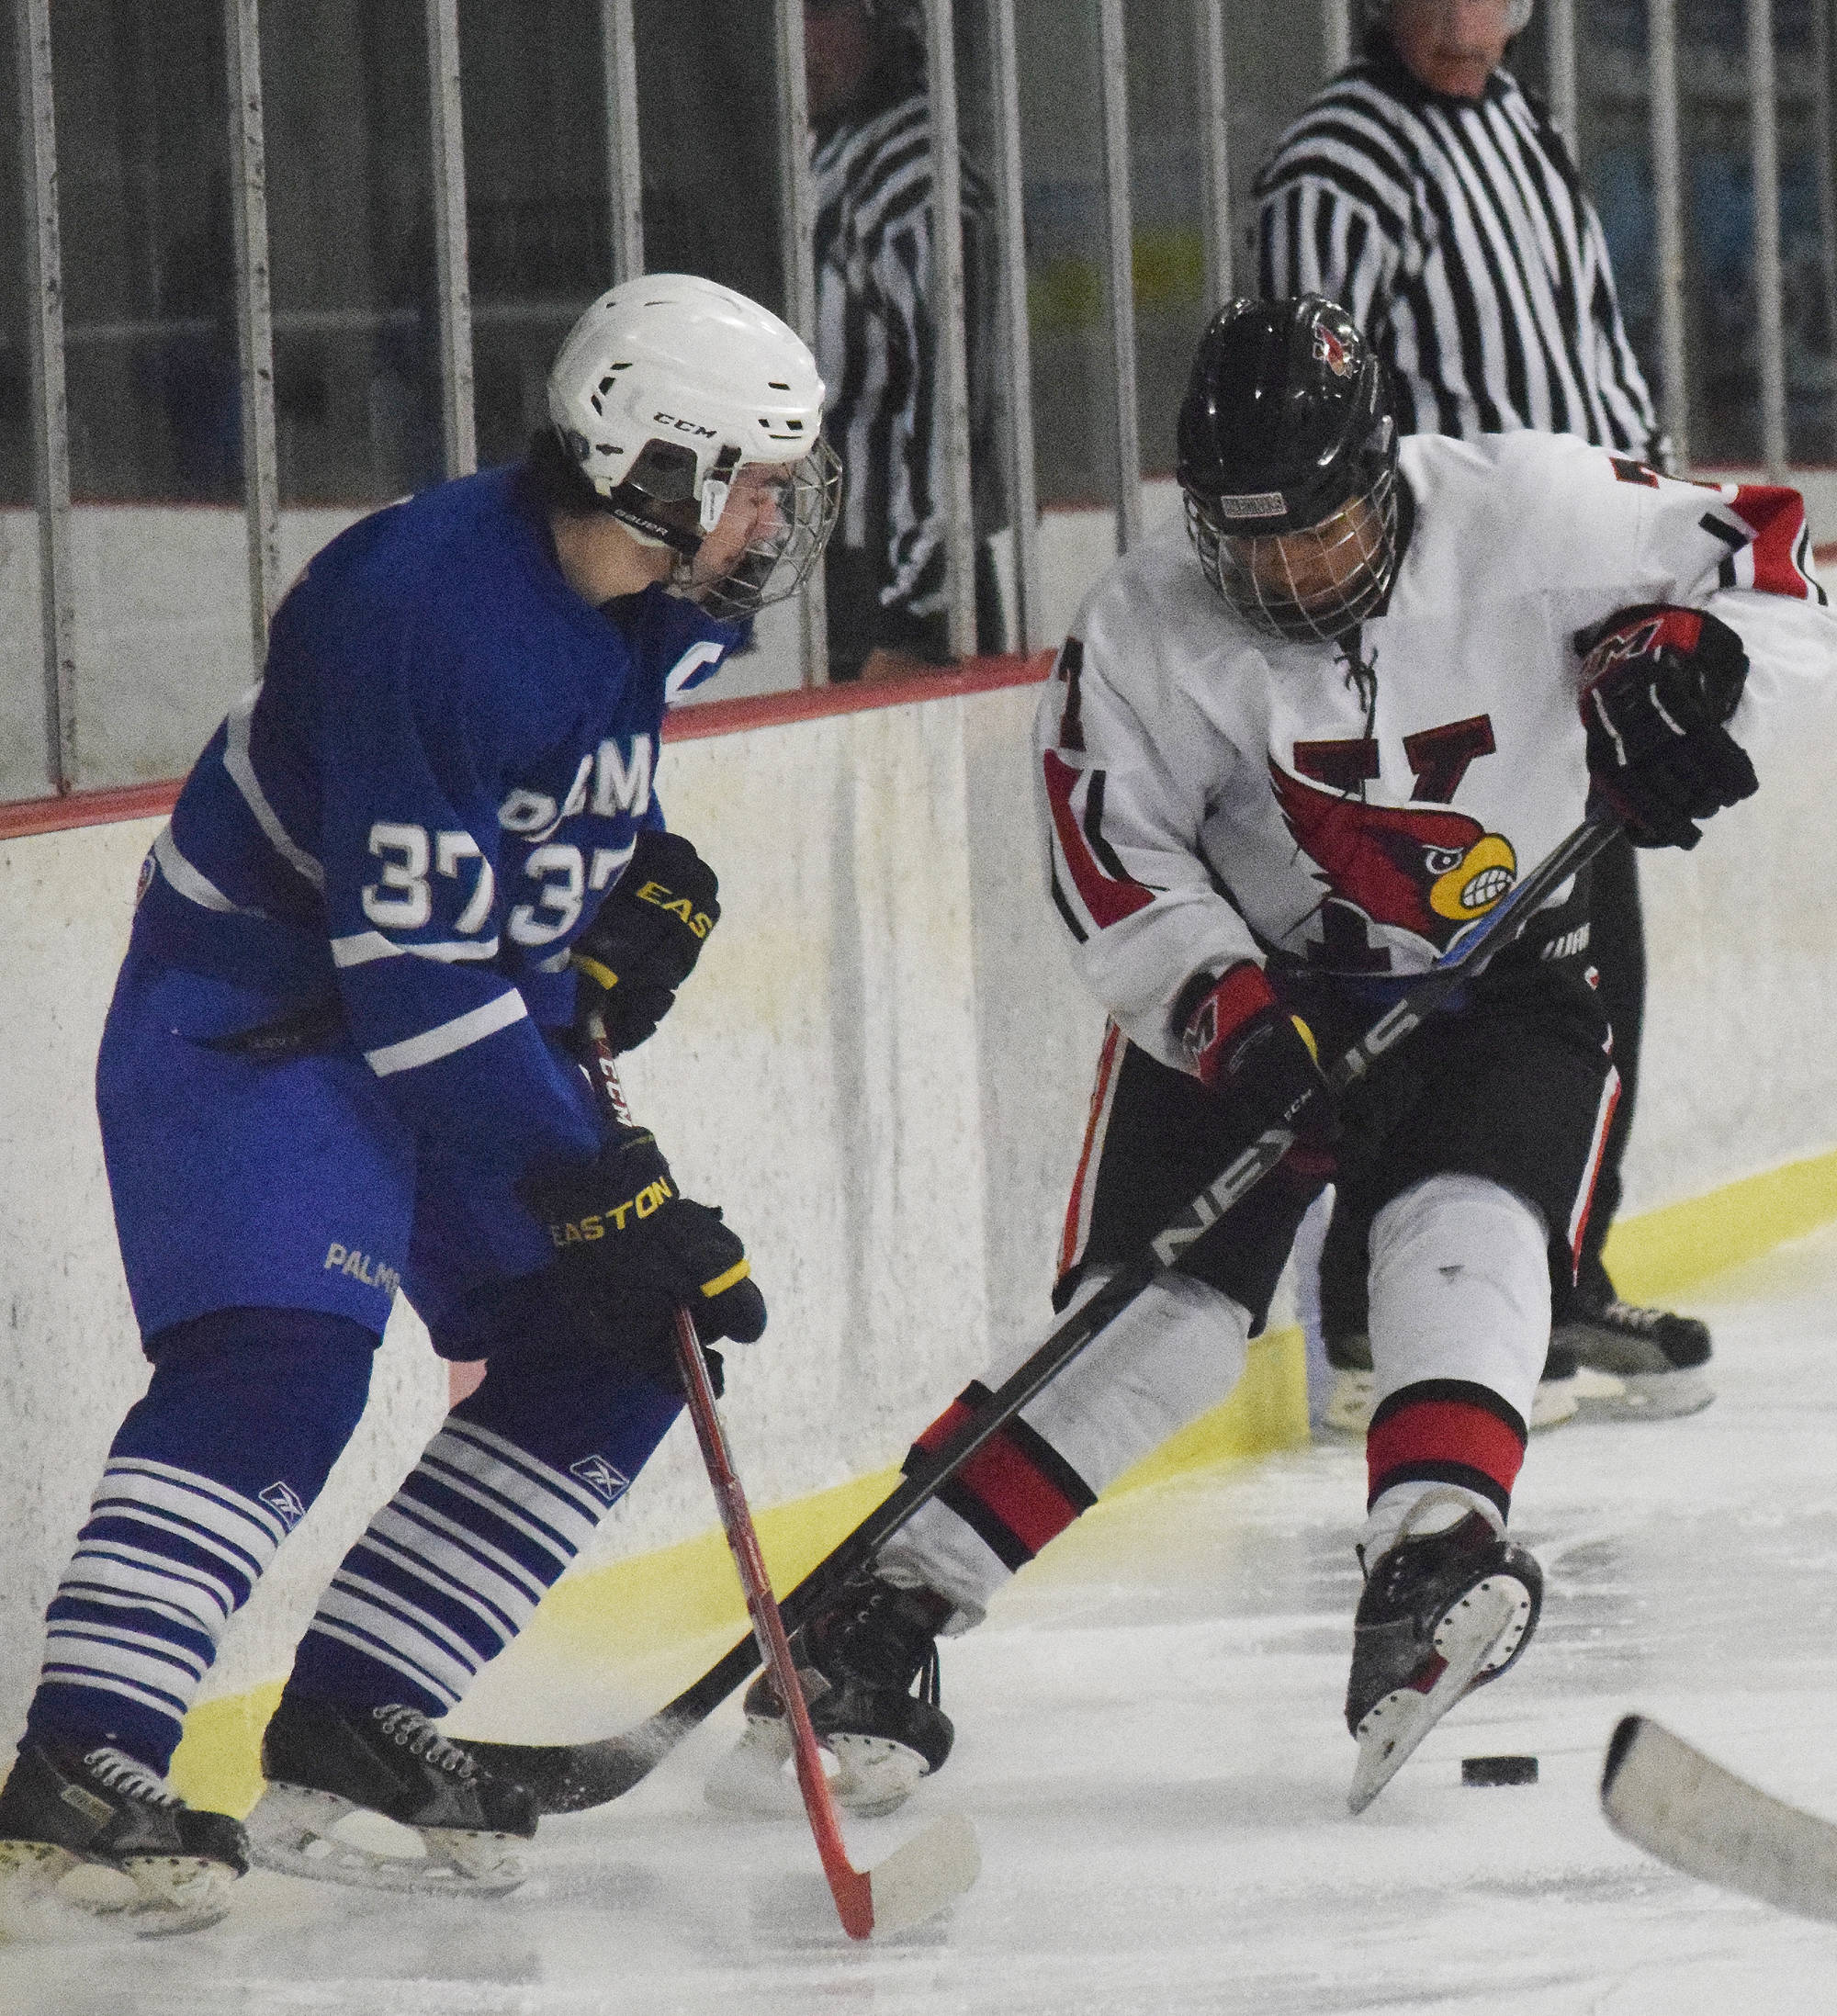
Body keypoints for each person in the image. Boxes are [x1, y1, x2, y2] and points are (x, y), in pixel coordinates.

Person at [718, 296, 1830, 1820]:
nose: (1289, 574)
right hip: (1260, 999)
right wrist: (1224, 1015)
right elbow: (1114, 856)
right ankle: (874, 1619)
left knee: (1476, 1232)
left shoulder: (1537, 511)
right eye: (1251, 544)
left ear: (1383, 474)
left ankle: (1430, 1565)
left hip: (1506, 979)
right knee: (1159, 1326)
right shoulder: (1146, 624)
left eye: (1317, 531)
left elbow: (1772, 556)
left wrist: (1701, 672)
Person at [0, 274, 840, 1930]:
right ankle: (78, 1769)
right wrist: (596, 1183)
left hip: (433, 1019)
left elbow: (528, 819)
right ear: (653, 466)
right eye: (748, 476)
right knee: (281, 1363)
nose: (769, 516)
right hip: (259, 1022)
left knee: (622, 1340)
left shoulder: (649, 598)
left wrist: (634, 887)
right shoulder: (419, 609)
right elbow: (412, 979)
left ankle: (351, 1727)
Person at [1254, 0, 1700, 1431]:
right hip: (1444, 640)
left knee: (1586, 969)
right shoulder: (1339, 161)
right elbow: (1314, 438)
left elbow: (1596, 359)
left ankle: (1548, 1265)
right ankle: (1377, 1316)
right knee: (1420, 959)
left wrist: (1663, 538)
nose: (1462, 19)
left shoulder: (1521, 127)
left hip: (1570, 618)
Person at [806, 0, 1002, 681]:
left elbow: (952, 421)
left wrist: (916, 620)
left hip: (903, 588)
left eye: (823, 13)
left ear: (889, 21)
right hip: (843, 569)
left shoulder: (916, 179)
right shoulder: (831, 153)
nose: (801, 38)